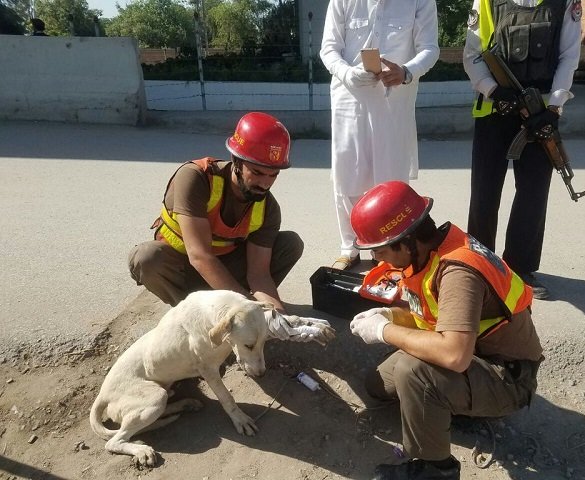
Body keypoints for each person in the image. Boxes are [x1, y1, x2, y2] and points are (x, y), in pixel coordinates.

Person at [348, 181, 543, 480]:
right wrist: (391, 315)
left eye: (381, 249)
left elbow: (454, 355)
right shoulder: (428, 254)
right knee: (378, 385)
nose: (376, 259)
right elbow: (432, 316)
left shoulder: (458, 271)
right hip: (477, 352)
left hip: (508, 377)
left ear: (407, 240)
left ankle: (435, 469)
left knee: (413, 372)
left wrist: (384, 330)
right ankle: (451, 404)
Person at [462, 0, 582, 299]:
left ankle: (520, 267)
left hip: (540, 112)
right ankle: (480, 264)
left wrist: (554, 105)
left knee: (533, 192)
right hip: (493, 110)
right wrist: (494, 90)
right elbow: (473, 54)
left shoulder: (564, 4)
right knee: (484, 192)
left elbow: (569, 56)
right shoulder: (488, 2)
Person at [128, 112, 303, 313]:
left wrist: (277, 315)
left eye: (274, 175)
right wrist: (248, 308)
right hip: (184, 271)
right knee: (146, 257)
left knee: (290, 244)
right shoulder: (196, 178)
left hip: (226, 272)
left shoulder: (268, 208)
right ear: (236, 160)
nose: (265, 183)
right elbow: (200, 256)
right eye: (257, 172)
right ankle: (193, 314)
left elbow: (259, 275)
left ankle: (229, 310)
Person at [319, 0, 440, 271]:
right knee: (347, 175)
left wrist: (407, 71)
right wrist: (346, 73)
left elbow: (430, 49)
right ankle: (349, 247)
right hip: (350, 99)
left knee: (391, 179)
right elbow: (329, 48)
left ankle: (389, 248)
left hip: (393, 103)